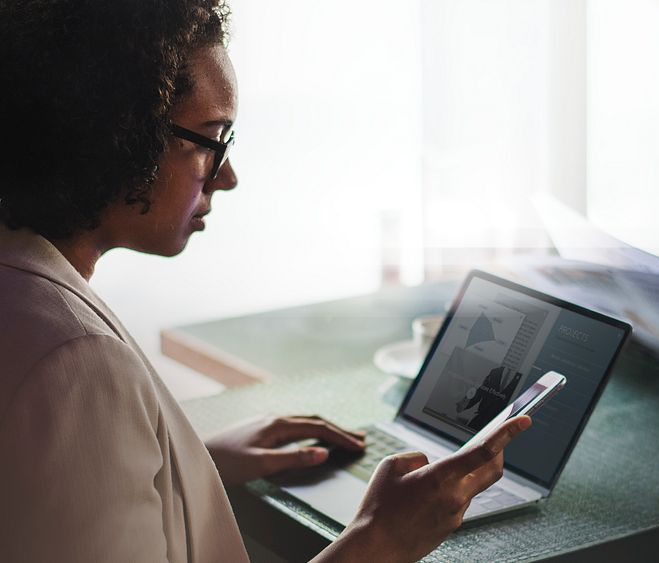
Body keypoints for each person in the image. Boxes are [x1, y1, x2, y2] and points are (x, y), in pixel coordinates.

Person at [0, 1, 530, 562]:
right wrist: (382, 542)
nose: (226, 176)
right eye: (211, 139)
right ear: (117, 136)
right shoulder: (77, 365)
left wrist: (186, 464)